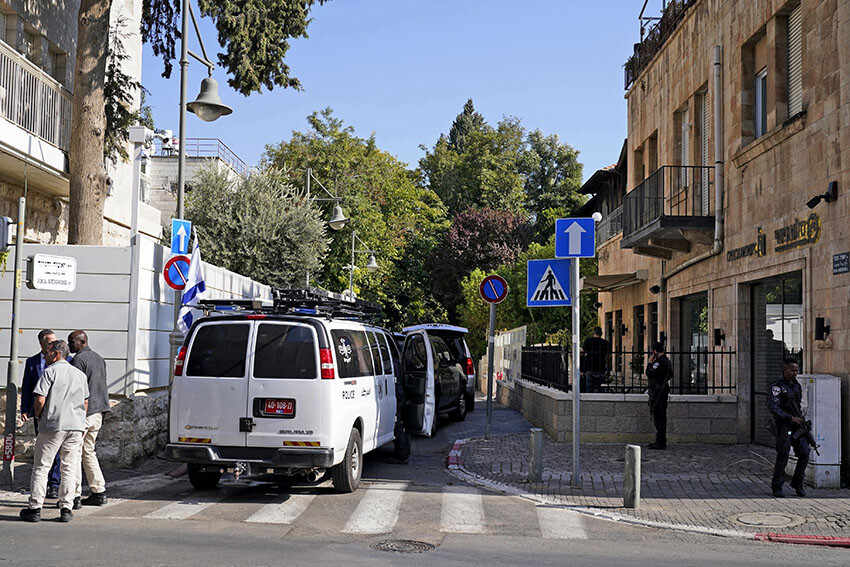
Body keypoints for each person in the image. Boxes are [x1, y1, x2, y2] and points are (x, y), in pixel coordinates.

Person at [20, 340, 89, 523]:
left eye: (48, 352)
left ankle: (35, 507)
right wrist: (81, 422)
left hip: (53, 424)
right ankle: (66, 506)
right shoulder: (79, 375)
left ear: (57, 354)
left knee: (42, 467)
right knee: (69, 467)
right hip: (75, 425)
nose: (44, 355)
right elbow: (85, 402)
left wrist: (39, 416)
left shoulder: (49, 372)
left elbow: (40, 400)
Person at [69, 330, 111, 506]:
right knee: (88, 451)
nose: (69, 345)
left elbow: (76, 389)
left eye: (71, 341)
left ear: (81, 342)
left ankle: (75, 495)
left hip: (84, 413)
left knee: (75, 453)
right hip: (98, 411)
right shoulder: (99, 358)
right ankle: (99, 490)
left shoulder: (78, 360)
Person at [20, 329, 62, 499]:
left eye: (55, 341)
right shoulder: (33, 362)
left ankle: (54, 483)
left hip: (59, 412)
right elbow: (28, 387)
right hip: (41, 413)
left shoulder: (66, 361)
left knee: (58, 449)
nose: (54, 344)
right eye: (51, 341)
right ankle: (43, 482)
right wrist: (25, 409)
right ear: (42, 344)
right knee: (44, 449)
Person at [768, 357, 809, 498]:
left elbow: (799, 405)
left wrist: (800, 419)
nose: (795, 373)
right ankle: (777, 486)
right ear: (784, 369)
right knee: (783, 454)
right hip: (784, 425)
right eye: (792, 370)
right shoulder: (777, 387)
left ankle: (798, 483)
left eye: (797, 370)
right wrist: (790, 418)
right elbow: (773, 407)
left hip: (797, 425)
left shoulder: (796, 386)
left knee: (805, 452)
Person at [645, 341, 672, 450]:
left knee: (659, 418)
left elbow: (649, 373)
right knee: (661, 417)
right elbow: (670, 374)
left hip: (658, 393)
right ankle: (660, 440)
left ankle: (660, 442)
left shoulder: (659, 362)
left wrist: (649, 363)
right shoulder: (667, 361)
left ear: (655, 351)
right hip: (662, 391)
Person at [386, 345, 410, 465]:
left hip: (397, 394)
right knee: (399, 424)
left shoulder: (391, 364)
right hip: (400, 393)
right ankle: (401, 453)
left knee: (398, 426)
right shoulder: (396, 362)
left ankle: (402, 455)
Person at [580, 327, 611, 393]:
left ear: (594, 333)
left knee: (589, 389)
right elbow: (608, 357)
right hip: (601, 368)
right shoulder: (605, 343)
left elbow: (582, 353)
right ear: (601, 333)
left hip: (590, 367)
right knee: (601, 390)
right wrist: (608, 368)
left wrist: (582, 368)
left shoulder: (588, 341)